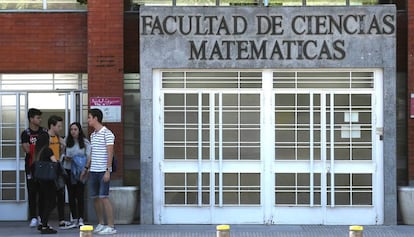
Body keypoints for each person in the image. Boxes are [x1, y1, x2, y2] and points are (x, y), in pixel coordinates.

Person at [82, 108, 116, 235]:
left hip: (103, 171)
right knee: (95, 198)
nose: (88, 120)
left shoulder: (107, 133)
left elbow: (110, 153)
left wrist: (108, 170)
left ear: (96, 118)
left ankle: (111, 226)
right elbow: (92, 152)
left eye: (89, 117)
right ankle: (101, 223)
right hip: (93, 171)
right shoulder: (93, 135)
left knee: (104, 197)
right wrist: (86, 168)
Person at [21, 108, 48, 228]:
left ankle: (42, 216)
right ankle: (33, 217)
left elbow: (47, 148)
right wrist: (38, 148)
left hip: (43, 166)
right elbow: (26, 149)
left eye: (40, 117)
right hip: (31, 166)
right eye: (37, 117)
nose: (40, 120)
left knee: (43, 192)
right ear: (31, 119)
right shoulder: (25, 133)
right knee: (32, 192)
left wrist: (35, 148)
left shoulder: (44, 131)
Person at [62, 122, 91, 228]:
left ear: (79, 131)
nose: (73, 132)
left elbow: (88, 156)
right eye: (71, 130)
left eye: (75, 129)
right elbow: (61, 153)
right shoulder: (66, 140)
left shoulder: (85, 142)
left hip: (80, 171)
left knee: (80, 194)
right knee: (71, 194)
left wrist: (86, 168)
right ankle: (74, 218)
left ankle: (81, 219)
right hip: (68, 170)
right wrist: (65, 157)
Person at [47, 115, 71, 228]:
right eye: (59, 126)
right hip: (48, 167)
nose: (60, 128)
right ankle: (44, 220)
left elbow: (62, 149)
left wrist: (62, 146)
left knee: (60, 193)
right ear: (52, 125)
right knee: (49, 196)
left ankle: (61, 220)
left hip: (57, 166)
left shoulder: (57, 137)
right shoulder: (45, 137)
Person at [34, 132, 58, 234]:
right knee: (51, 201)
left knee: (43, 201)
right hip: (48, 180)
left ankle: (42, 222)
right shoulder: (48, 150)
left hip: (40, 180)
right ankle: (44, 225)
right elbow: (54, 162)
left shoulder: (38, 151)